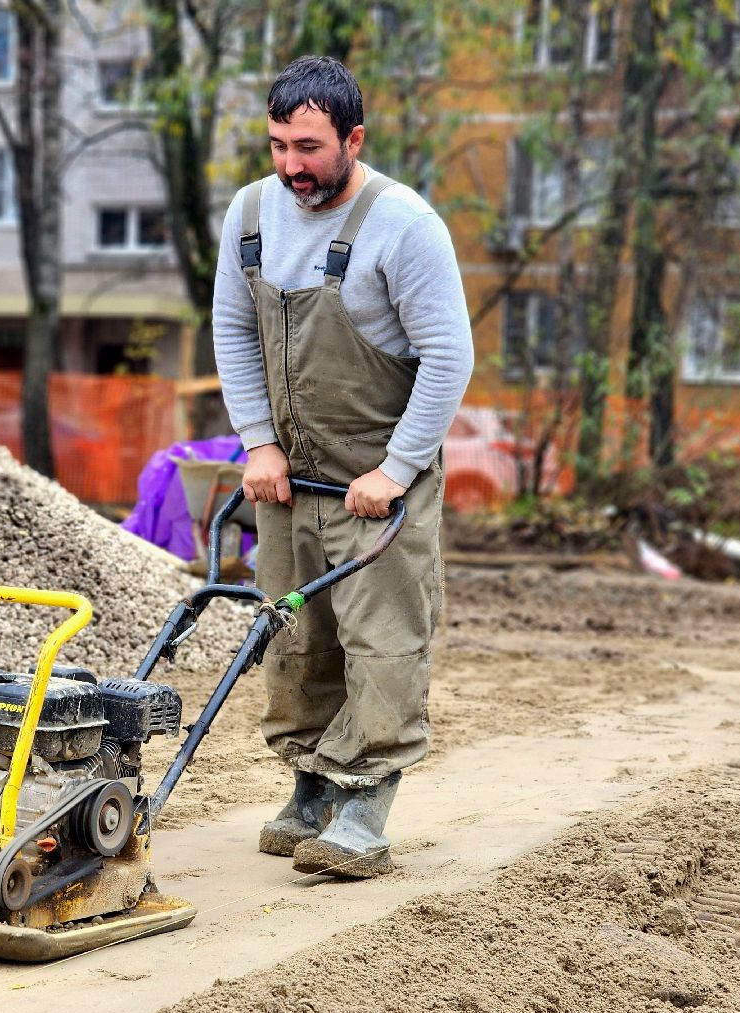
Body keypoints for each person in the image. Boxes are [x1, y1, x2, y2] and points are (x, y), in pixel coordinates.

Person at [212, 55, 473, 878]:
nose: (292, 166)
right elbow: (232, 328)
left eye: (311, 148)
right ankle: (311, 788)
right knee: (295, 637)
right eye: (280, 144)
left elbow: (448, 356)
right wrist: (257, 441)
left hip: (375, 486)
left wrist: (397, 468)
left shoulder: (404, 224)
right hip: (290, 475)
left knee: (380, 640)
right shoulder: (252, 212)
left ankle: (365, 802)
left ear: (353, 139)